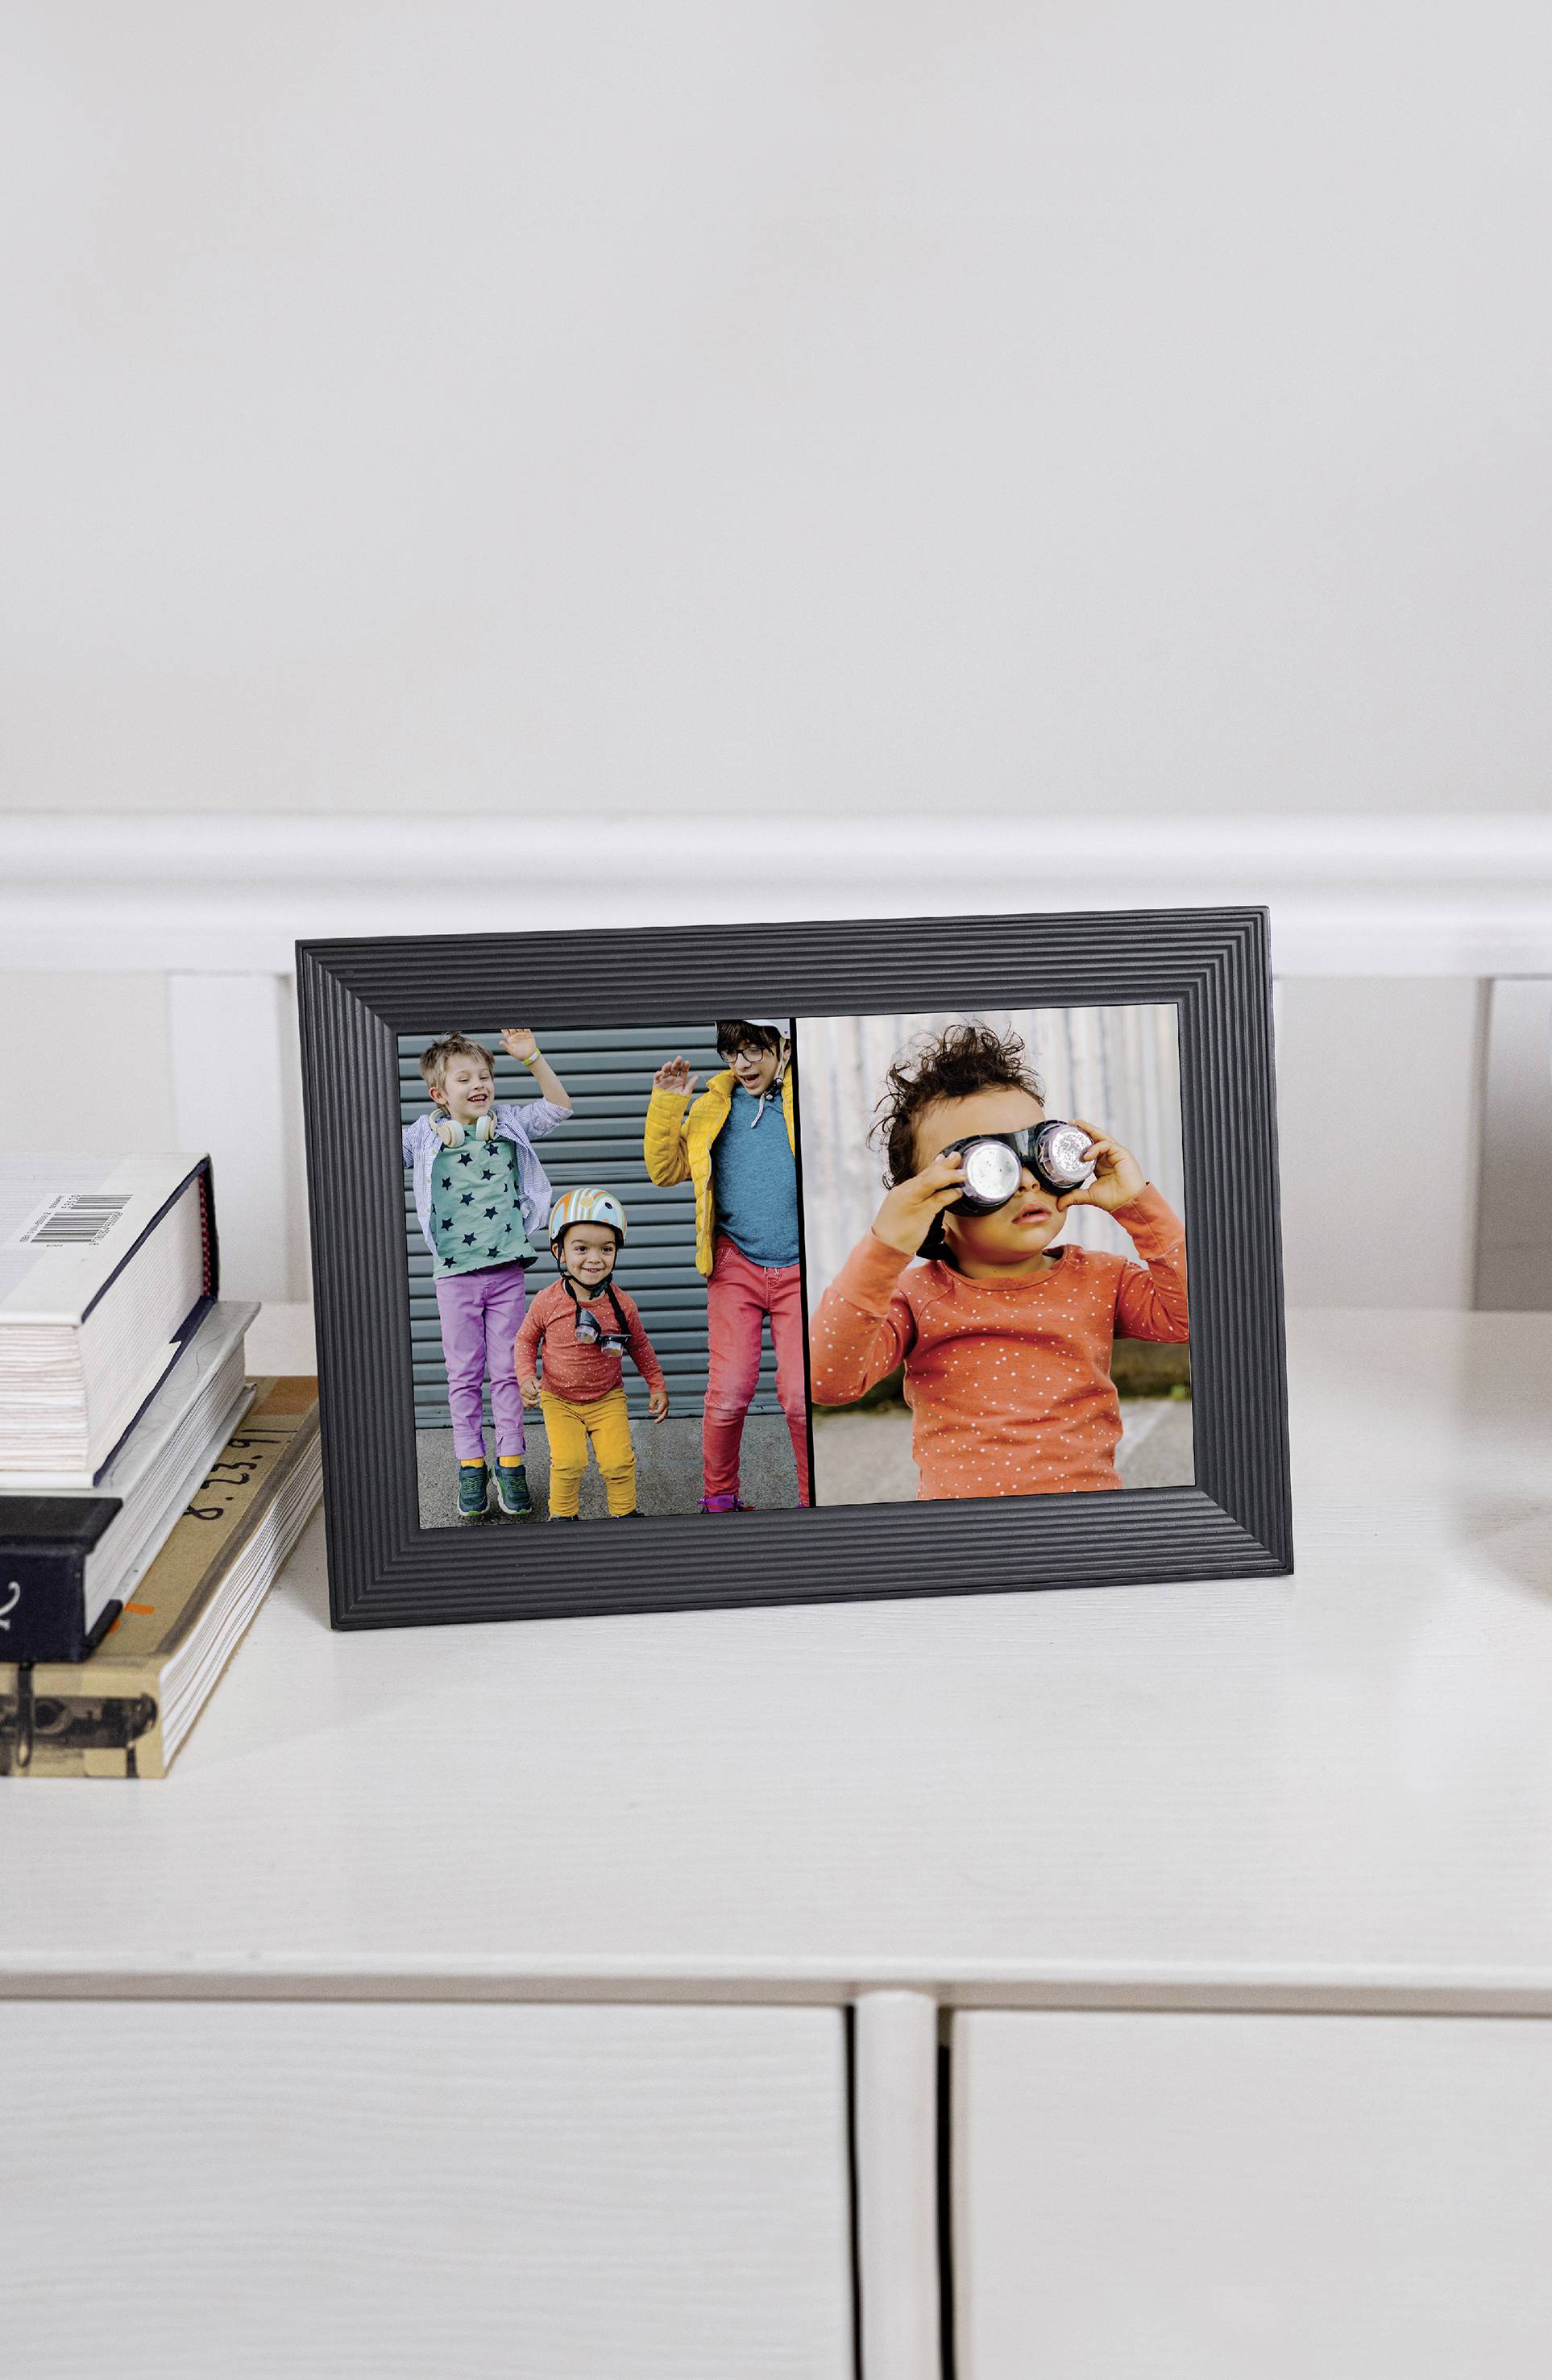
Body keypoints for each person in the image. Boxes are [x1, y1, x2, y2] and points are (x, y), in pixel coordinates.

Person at [807, 1021, 1188, 1500]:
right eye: (991, 1168)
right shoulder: (916, 1297)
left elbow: (1192, 1317)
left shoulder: (1099, 1278)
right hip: (962, 1538)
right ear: (933, 1203)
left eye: (1038, 1150)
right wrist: (886, 1246)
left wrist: (1138, 1203)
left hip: (1085, 1525)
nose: (1028, 1181)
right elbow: (826, 1380)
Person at [402, 1028, 573, 1522]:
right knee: (463, 1374)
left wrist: (533, 1058)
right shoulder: (421, 1137)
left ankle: (512, 1463)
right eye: (464, 1079)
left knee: (509, 1372)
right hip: (454, 1275)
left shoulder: (509, 1124)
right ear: (439, 1094)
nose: (479, 1084)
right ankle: (471, 1465)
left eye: (484, 1075)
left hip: (506, 1272)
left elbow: (559, 1106)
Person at [643, 1020, 811, 1512]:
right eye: (731, 1053)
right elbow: (664, 1171)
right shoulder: (715, 1105)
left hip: (802, 1269)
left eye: (754, 1050)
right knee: (730, 1392)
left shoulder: (806, 1099)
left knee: (801, 1399)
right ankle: (719, 1500)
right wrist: (668, 1104)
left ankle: (811, 1503)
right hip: (734, 1263)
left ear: (781, 1047)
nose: (742, 1064)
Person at [515, 1189, 669, 1520]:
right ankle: (563, 1518)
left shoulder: (622, 1304)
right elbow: (525, 1340)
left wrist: (656, 1384)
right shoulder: (547, 1301)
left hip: (607, 1398)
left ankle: (625, 1515)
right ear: (559, 1251)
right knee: (569, 1463)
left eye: (606, 1249)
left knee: (618, 1462)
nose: (594, 1259)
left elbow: (639, 1345)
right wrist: (526, 1377)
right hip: (559, 1399)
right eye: (581, 1248)